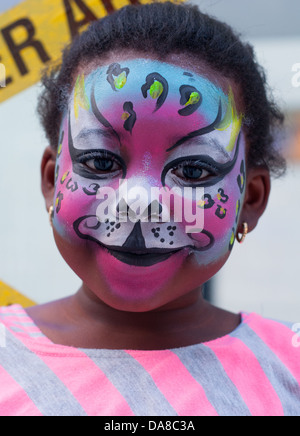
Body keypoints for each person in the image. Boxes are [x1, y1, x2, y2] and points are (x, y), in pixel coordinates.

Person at [0, 1, 299, 417]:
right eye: (100, 163)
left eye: (193, 170)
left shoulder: (290, 364)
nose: (138, 204)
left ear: (250, 199)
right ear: (52, 181)